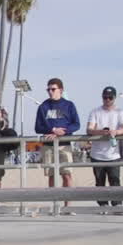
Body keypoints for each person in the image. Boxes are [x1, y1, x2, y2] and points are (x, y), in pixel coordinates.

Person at [35, 78, 81, 212]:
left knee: (66, 175)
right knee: (51, 175)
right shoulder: (43, 107)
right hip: (48, 146)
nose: (50, 92)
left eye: (53, 89)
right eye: (48, 89)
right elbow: (38, 127)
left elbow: (76, 124)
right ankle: (55, 204)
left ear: (60, 90)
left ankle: (68, 206)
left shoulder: (69, 105)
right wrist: (53, 130)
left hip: (64, 145)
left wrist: (63, 131)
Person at [86, 86, 123, 211]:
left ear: (114, 98)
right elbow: (89, 129)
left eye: (110, 97)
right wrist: (101, 132)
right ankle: (103, 205)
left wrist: (116, 132)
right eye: (105, 97)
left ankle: (117, 205)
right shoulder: (95, 112)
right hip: (97, 154)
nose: (107, 100)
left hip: (114, 154)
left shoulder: (120, 112)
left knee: (115, 180)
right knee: (100, 182)